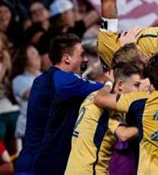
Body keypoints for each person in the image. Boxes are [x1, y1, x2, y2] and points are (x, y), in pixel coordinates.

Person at [15, 33, 103, 175]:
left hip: (29, 164)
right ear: (66, 58)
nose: (86, 59)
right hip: (42, 168)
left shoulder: (41, 80)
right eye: (81, 55)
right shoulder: (64, 80)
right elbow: (106, 89)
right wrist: (111, 81)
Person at [64, 63, 142, 174]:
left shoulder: (92, 95)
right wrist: (149, 126)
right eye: (136, 85)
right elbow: (124, 134)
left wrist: (108, 84)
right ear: (120, 85)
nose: (140, 91)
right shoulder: (109, 108)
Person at [11, 45, 42, 139]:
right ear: (24, 59)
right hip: (29, 130)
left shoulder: (47, 76)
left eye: (37, 53)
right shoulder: (19, 80)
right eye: (33, 54)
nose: (37, 56)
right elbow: (33, 94)